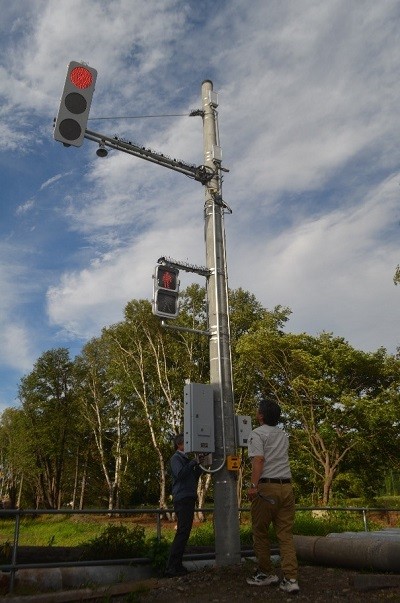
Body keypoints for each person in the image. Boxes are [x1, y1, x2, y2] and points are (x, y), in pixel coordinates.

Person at [246, 398, 300, 593]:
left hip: (267, 488)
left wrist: (253, 486)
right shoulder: (283, 435)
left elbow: (259, 460)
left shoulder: (256, 434)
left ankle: (266, 573)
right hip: (286, 487)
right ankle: (291, 579)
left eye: (257, 410)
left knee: (260, 531)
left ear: (261, 416)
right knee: (285, 535)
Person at [164, 433, 203, 577]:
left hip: (188, 496)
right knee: (182, 531)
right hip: (183, 497)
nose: (189, 445)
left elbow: (192, 477)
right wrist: (193, 463)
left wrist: (200, 465)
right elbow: (180, 474)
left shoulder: (185, 459)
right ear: (179, 445)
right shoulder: (176, 458)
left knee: (184, 532)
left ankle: (177, 565)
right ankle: (172, 566)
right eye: (187, 442)